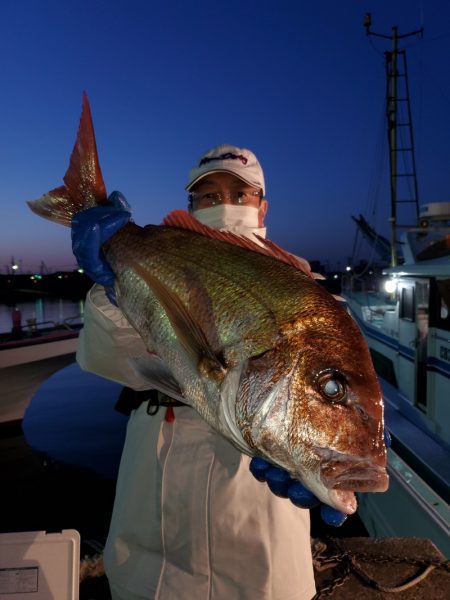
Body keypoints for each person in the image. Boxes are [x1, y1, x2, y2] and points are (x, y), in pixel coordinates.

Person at [73, 145, 343, 600]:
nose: (225, 204)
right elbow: (106, 360)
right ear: (191, 206)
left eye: (240, 192)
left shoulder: (306, 294)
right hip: (153, 534)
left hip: (266, 562)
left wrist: (341, 440)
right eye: (209, 194)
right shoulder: (163, 267)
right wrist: (112, 288)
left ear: (263, 205)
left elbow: (339, 388)